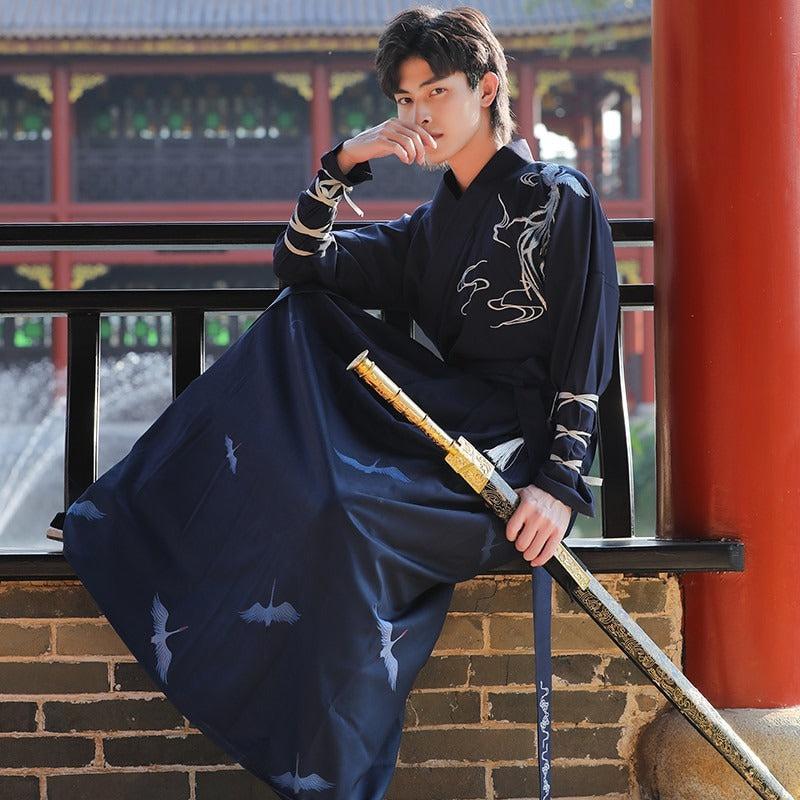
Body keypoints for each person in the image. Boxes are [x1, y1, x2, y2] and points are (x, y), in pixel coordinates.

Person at [60, 6, 619, 799]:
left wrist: (557, 486)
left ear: (487, 88)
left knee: (342, 520)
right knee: (300, 318)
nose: (418, 115)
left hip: (509, 456)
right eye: (404, 100)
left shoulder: (559, 196)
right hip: (445, 424)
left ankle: (332, 777)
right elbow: (299, 264)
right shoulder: (429, 228)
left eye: (437, 92)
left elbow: (588, 340)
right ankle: (133, 514)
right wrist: (341, 165)